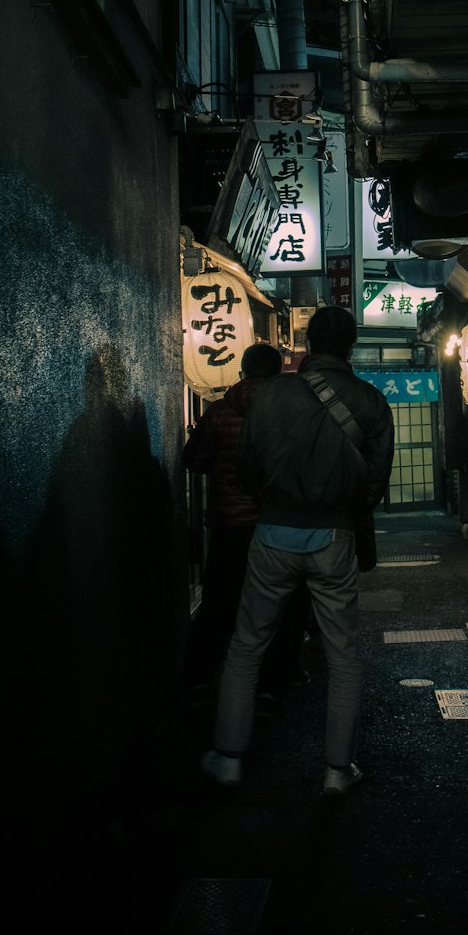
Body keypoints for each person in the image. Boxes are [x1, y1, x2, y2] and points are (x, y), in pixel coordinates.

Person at [201, 305, 394, 796]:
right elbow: (375, 484)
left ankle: (227, 757)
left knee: (247, 644)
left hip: (271, 532)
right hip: (333, 535)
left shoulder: (270, 397)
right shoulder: (371, 402)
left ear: (309, 342)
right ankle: (336, 770)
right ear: (350, 345)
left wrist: (274, 497)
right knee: (343, 654)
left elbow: (246, 465)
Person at [181, 342, 307, 705]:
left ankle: (198, 681)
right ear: (277, 373)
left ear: (242, 371)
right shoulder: (289, 413)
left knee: (218, 604)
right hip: (275, 526)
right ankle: (272, 685)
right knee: (277, 605)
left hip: (228, 525)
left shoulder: (219, 412)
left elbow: (195, 461)